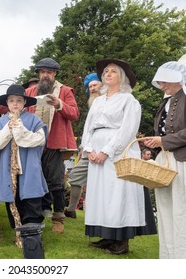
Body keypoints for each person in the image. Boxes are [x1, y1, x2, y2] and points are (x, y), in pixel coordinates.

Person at [81, 59, 154, 255]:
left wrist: (106, 151)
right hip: (95, 148)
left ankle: (121, 240)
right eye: (106, 71)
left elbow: (128, 130)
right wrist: (89, 149)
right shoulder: (97, 101)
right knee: (101, 194)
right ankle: (107, 236)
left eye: (113, 71)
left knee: (118, 193)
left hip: (117, 152)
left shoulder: (129, 100)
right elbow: (88, 127)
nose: (108, 73)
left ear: (121, 77)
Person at [26, 57, 80, 234]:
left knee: (56, 182)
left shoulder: (64, 91)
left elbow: (74, 113)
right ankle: (37, 215)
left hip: (54, 143)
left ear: (54, 74)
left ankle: (58, 218)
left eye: (49, 72)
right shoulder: (30, 91)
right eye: (42, 72)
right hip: (33, 143)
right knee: (34, 179)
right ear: (39, 74)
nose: (45, 75)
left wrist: (59, 104)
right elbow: (15, 107)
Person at [0, 84, 48, 235]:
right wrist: (8, 128)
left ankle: (33, 232)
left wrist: (20, 129)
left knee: (31, 199)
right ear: (7, 103)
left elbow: (39, 139)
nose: (15, 103)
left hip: (28, 166)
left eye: (19, 100)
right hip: (8, 168)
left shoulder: (33, 120)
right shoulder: (1, 122)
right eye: (11, 100)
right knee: (13, 199)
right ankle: (18, 230)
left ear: (24, 103)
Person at [144, 60, 186, 258]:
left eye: (164, 81)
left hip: (182, 161)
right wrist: (156, 143)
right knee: (165, 210)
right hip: (165, 160)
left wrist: (164, 140)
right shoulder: (166, 101)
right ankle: (168, 258)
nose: (162, 85)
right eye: (160, 81)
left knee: (181, 210)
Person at [64, 72, 102, 218]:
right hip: (88, 148)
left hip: (105, 149)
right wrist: (83, 147)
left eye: (95, 85)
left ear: (102, 84)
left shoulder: (111, 101)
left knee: (102, 182)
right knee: (75, 175)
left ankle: (98, 213)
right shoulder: (93, 103)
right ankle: (72, 209)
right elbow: (88, 128)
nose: (92, 88)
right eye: (90, 86)